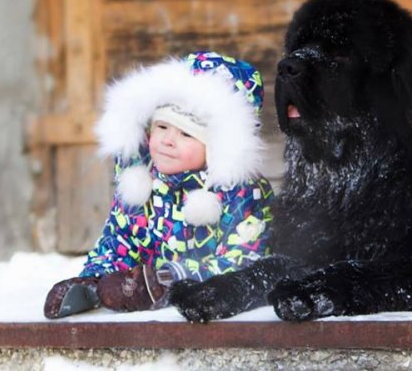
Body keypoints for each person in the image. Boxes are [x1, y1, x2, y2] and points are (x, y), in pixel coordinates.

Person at [43, 51, 274, 318]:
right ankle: (91, 289)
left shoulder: (242, 193)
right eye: (162, 127)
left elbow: (243, 260)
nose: (167, 141)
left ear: (217, 148)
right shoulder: (142, 181)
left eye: (186, 133)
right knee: (110, 267)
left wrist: (169, 278)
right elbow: (119, 239)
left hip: (202, 303)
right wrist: (99, 277)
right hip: (143, 285)